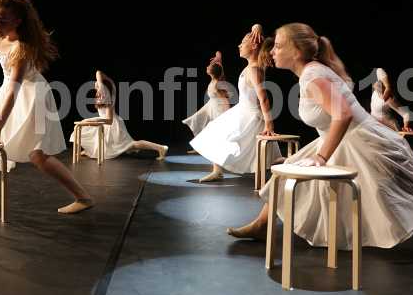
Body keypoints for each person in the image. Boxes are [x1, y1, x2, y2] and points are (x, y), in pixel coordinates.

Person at [228, 23, 413, 256]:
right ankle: (263, 225)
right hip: (350, 141)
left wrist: (320, 157)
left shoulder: (312, 76)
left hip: (368, 146)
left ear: (296, 50)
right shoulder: (314, 71)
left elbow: (343, 115)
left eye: (279, 45)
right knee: (286, 174)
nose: (272, 51)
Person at [0, 0, 93, 214]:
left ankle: (84, 197)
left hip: (32, 95)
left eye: (2, 21)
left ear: (17, 21)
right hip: (9, 89)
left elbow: (14, 91)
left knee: (37, 155)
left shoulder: (21, 47)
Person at [190, 25, 282, 182]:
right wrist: (256, 27)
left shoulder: (255, 69)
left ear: (254, 46)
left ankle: (290, 167)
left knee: (266, 156)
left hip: (250, 116)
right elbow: (258, 31)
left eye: (243, 42)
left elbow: (264, 98)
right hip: (242, 111)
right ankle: (217, 171)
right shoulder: (250, 67)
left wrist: (269, 124)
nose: (239, 45)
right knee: (214, 130)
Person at [70, 70, 169, 160]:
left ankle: (161, 148)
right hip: (109, 124)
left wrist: (93, 120)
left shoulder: (107, 97)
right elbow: (100, 73)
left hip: (113, 126)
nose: (95, 86)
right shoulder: (110, 88)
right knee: (127, 145)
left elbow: (109, 120)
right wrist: (101, 83)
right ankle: (89, 151)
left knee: (131, 145)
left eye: (97, 85)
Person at [182, 50, 231, 136]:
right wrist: (218, 58)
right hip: (213, 108)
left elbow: (225, 100)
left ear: (213, 71)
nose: (207, 67)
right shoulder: (216, 79)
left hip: (219, 110)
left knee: (219, 130)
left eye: (209, 66)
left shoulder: (217, 84)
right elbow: (218, 54)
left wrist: (228, 114)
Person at [370, 67, 412, 131]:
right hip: (378, 129)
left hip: (391, 130)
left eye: (378, 81)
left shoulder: (388, 99)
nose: (375, 83)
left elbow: (406, 114)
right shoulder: (374, 94)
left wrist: (405, 127)